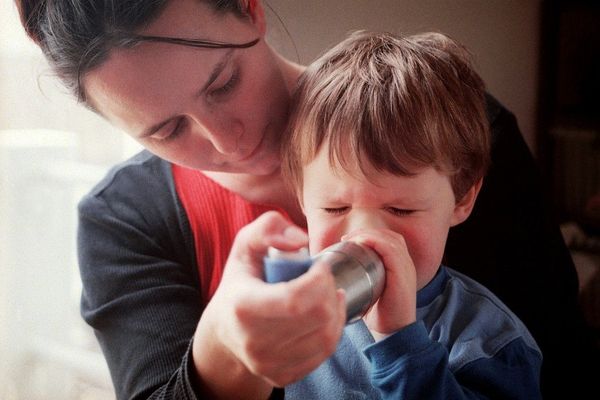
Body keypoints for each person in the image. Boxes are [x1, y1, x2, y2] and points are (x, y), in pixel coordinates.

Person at [14, 0, 597, 399]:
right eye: (166, 130)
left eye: (224, 82)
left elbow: (562, 369)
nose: (228, 141)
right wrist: (222, 352)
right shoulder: (125, 220)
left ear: (250, 8)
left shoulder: (451, 134)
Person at [277, 30, 542, 398]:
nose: (364, 234)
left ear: (462, 199)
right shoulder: (291, 306)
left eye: (401, 209)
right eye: (335, 207)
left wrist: (399, 341)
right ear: (301, 198)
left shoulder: (489, 342)